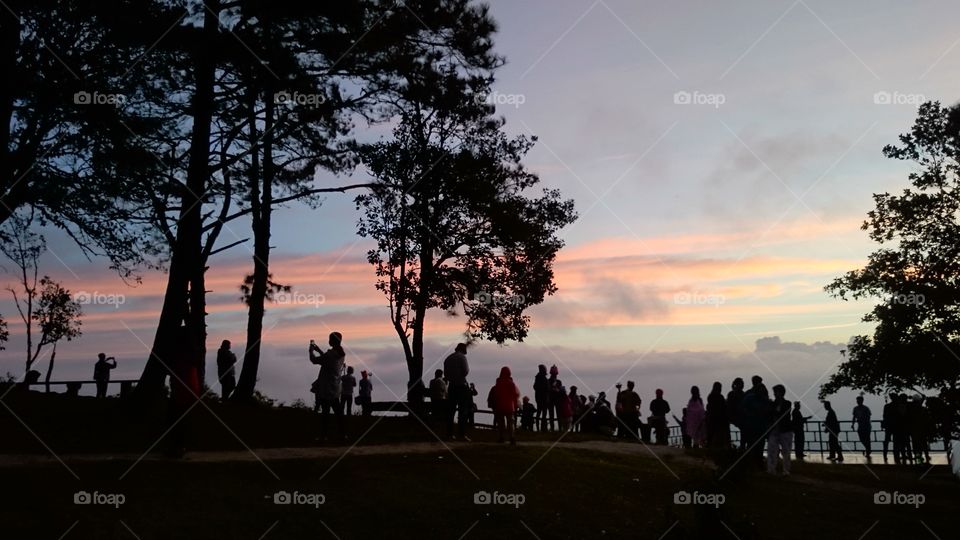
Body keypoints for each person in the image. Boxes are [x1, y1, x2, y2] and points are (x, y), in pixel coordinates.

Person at [309, 332, 346, 442]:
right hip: (335, 388)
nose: (328, 341)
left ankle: (323, 436)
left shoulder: (330, 355)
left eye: (329, 339)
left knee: (325, 414)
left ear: (332, 341)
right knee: (339, 414)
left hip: (326, 388)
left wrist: (311, 350)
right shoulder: (341, 353)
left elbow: (314, 360)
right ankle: (342, 435)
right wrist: (319, 350)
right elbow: (327, 360)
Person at [740, 377, 772, 467]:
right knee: (752, 445)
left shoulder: (764, 400)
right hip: (751, 426)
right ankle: (752, 463)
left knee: (759, 446)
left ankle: (758, 462)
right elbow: (742, 408)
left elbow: (768, 412)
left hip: (760, 426)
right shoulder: (749, 397)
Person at [443, 343, 471, 441]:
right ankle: (461, 434)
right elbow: (466, 371)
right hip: (461, 386)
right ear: (463, 349)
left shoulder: (448, 358)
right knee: (463, 411)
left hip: (452, 386)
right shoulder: (462, 357)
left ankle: (449, 434)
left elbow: (446, 374)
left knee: (451, 411)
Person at [767, 384, 793, 475]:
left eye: (776, 392)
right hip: (775, 430)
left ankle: (786, 470)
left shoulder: (787, 403)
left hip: (785, 430)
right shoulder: (773, 404)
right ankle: (771, 469)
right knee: (771, 450)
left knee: (786, 452)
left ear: (781, 393)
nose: (774, 394)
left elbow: (781, 414)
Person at [491, 367, 520, 444]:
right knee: (510, 423)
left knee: (501, 423)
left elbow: (496, 394)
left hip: (500, 405)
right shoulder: (511, 383)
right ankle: (512, 438)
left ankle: (501, 437)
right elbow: (515, 395)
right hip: (509, 406)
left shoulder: (498, 383)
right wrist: (515, 404)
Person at [706, 382, 730, 448]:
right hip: (719, 420)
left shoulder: (710, 396)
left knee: (712, 437)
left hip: (713, 420)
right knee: (718, 438)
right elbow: (723, 407)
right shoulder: (719, 397)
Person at [727, 377, 745, 448]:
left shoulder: (737, 393)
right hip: (735, 416)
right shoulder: (734, 394)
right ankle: (742, 445)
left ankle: (742, 445)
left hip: (737, 416)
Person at [533, 365, 550, 431]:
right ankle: (543, 428)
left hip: (539, 398)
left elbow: (535, 387)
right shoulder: (542, 378)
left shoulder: (538, 378)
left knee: (540, 413)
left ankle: (539, 428)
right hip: (543, 398)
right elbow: (547, 388)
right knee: (543, 413)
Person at [881, 394, 896, 462]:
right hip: (895, 426)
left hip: (888, 426)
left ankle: (885, 454)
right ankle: (896, 454)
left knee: (886, 441)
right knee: (896, 441)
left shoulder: (887, 406)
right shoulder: (897, 406)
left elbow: (884, 416)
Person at [548, 365, 563, 431]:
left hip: (555, 399)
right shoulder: (558, 382)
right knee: (556, 414)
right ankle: (556, 428)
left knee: (556, 414)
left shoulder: (549, 381)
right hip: (554, 399)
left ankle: (555, 428)